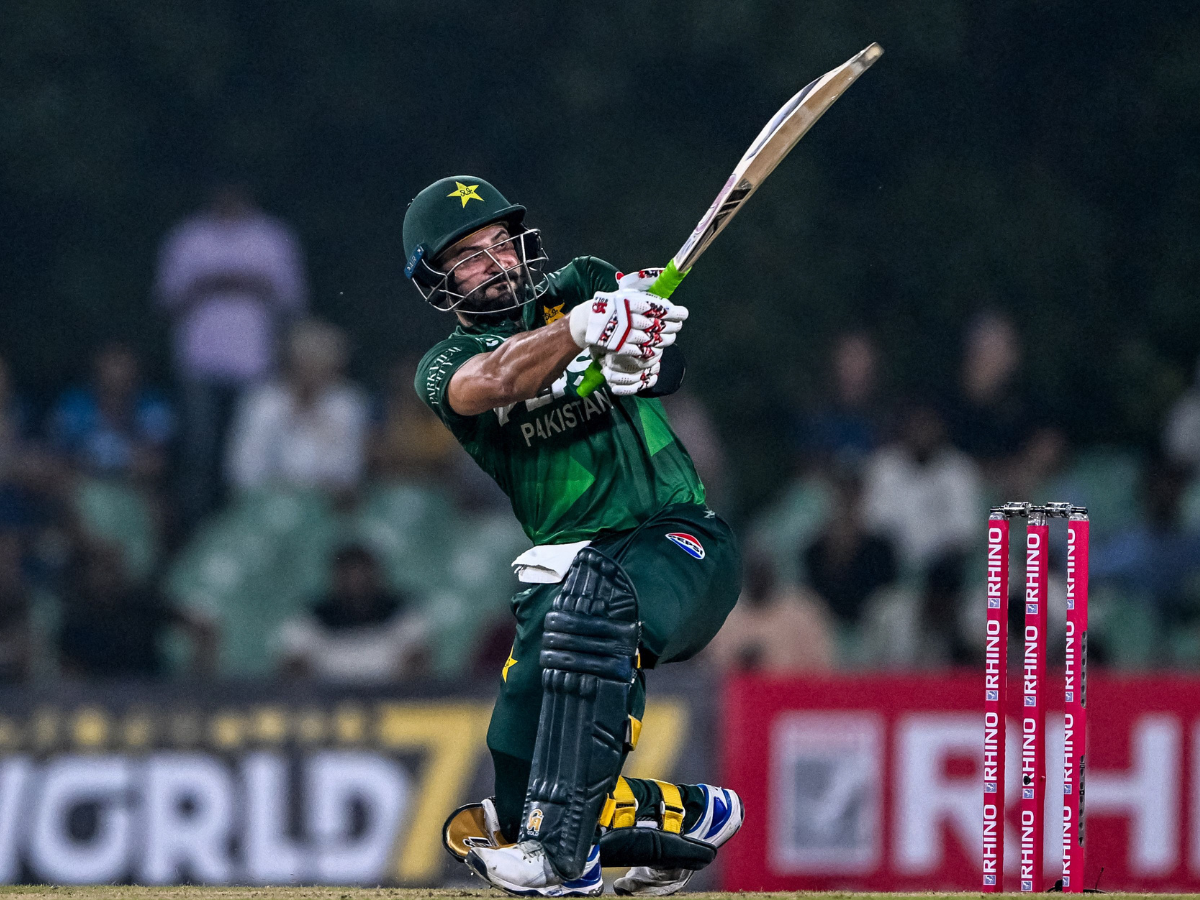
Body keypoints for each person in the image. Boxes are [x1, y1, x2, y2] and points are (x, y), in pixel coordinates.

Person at [404, 177, 743, 896]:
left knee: (596, 603)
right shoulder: (441, 369)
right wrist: (585, 332)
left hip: (677, 540)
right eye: (468, 256)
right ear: (437, 281)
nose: (495, 263)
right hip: (567, 574)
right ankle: (689, 814)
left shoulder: (584, 282)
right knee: (517, 806)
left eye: (501, 243)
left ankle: (568, 860)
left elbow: (667, 367)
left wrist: (637, 352)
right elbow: (495, 379)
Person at [155, 184, 308, 525]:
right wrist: (208, 284)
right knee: (199, 453)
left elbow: (293, 302)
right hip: (198, 362)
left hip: (255, 363)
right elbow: (166, 300)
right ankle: (197, 528)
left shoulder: (272, 237)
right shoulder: (188, 236)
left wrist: (251, 284)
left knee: (248, 454)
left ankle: (243, 525)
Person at [225, 319, 369, 494]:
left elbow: (348, 469)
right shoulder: (262, 401)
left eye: (322, 363)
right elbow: (242, 468)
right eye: (306, 361)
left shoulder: (347, 404)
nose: (312, 370)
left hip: (326, 504)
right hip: (266, 500)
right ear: (292, 362)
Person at [276, 544, 429, 682]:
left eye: (363, 574)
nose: (356, 582)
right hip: (328, 704)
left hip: (391, 701)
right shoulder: (311, 618)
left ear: (377, 576)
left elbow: (417, 660)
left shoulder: (403, 614)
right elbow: (293, 665)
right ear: (335, 578)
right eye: (348, 575)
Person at [48, 343, 174, 483]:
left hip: (137, 486)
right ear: (97, 366)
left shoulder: (152, 405)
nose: (119, 371)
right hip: (81, 485)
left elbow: (156, 462)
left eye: (124, 363)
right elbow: (58, 455)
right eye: (113, 362)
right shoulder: (75, 404)